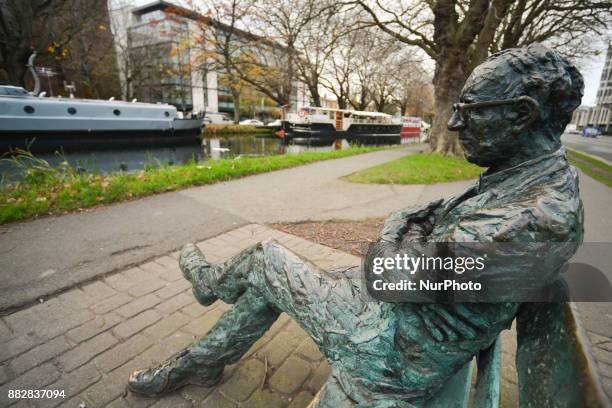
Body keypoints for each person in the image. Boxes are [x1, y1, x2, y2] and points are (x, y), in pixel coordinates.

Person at [128, 43, 584, 407]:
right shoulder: (524, 179)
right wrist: (409, 237)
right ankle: (202, 358)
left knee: (267, 261)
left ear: (522, 114)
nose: (455, 121)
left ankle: (210, 292)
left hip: (392, 356)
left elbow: (391, 271)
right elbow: (424, 236)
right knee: (269, 274)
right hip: (403, 318)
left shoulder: (533, 219)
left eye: (472, 109)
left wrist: (393, 231)